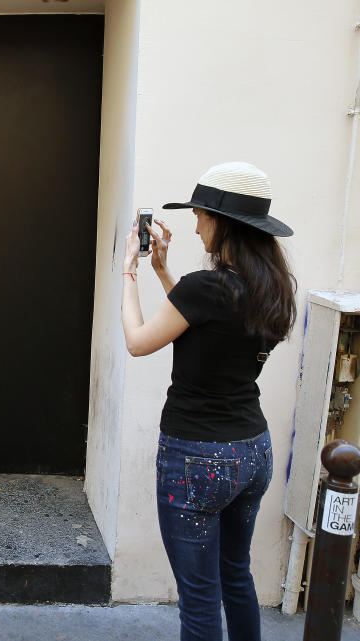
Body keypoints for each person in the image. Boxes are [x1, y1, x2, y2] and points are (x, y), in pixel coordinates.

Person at [120, 162, 296, 641]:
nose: (195, 223)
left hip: (196, 456)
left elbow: (138, 341)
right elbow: (203, 319)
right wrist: (161, 268)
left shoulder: (208, 288)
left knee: (199, 598)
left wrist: (129, 276)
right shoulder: (270, 291)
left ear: (222, 222)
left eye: (200, 213)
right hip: (252, 451)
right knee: (235, 576)